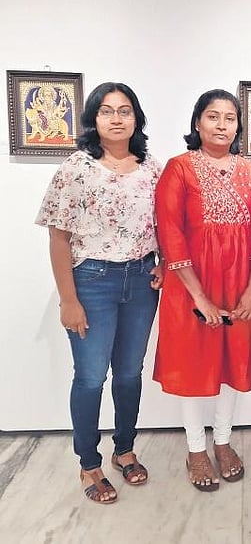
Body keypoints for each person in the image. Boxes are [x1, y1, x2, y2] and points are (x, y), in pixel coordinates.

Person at [36, 82, 163, 504]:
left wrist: (163, 262)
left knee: (129, 373)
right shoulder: (75, 168)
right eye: (106, 111)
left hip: (141, 281)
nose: (116, 118)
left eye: (125, 110)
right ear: (93, 118)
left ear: (136, 118)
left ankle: (124, 449)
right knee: (91, 377)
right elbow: (58, 238)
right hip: (92, 281)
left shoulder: (152, 168)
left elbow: (167, 224)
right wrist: (68, 300)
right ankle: (89, 463)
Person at [153, 89, 251, 492]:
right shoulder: (179, 169)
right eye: (213, 116)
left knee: (232, 361)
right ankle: (195, 448)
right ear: (197, 122)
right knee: (193, 363)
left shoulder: (250, 172)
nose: (222, 125)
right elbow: (170, 234)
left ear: (238, 126)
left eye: (230, 118)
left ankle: (222, 440)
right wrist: (199, 297)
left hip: (240, 283)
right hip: (190, 284)